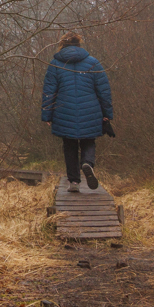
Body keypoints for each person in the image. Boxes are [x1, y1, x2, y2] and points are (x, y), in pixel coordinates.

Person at [40, 31, 113, 192]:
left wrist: (47, 113)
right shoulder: (93, 63)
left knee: (69, 144)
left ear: (62, 46)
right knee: (88, 140)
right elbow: (104, 91)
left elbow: (49, 91)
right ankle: (87, 163)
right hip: (91, 110)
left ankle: (74, 182)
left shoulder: (55, 64)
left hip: (63, 111)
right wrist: (107, 113)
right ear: (79, 45)